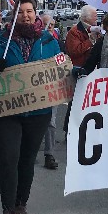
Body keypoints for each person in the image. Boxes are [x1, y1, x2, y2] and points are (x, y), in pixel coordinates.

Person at [0, 0, 60, 214]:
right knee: (8, 157)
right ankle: (8, 212)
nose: (25, 16)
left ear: (35, 13)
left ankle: (21, 205)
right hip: (6, 111)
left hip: (38, 111)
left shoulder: (48, 41)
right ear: (13, 15)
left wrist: (69, 67)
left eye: (29, 11)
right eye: (21, 12)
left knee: (27, 159)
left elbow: (59, 66)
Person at [63, 5, 101, 132]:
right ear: (86, 17)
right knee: (75, 101)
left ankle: (85, 128)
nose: (97, 18)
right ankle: (69, 128)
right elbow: (74, 51)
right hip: (78, 70)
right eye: (95, 15)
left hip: (92, 70)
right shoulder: (74, 32)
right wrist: (90, 42)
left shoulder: (94, 30)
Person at [41, 14, 61, 170]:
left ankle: (49, 154)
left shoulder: (54, 42)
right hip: (34, 88)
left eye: (52, 24)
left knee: (51, 122)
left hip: (51, 86)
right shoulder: (33, 42)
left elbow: (60, 61)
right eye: (46, 24)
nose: (49, 27)